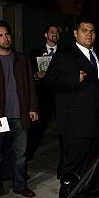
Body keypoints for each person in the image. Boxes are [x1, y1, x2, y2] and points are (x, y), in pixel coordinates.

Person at [44, 19, 99, 198]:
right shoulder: (65, 55)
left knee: (94, 167)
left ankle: (85, 197)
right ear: (76, 33)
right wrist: (73, 80)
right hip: (76, 124)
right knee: (73, 167)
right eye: (84, 30)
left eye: (92, 31)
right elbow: (48, 82)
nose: (89, 34)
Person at [0, 20, 38, 197]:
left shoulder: (21, 59)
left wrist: (32, 107)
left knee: (20, 153)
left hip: (19, 114)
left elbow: (30, 85)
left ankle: (19, 185)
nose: (5, 38)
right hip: (0, 116)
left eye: (7, 34)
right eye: (0, 35)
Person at [26, 24, 61, 160]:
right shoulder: (35, 52)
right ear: (46, 35)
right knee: (37, 129)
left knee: (64, 129)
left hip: (60, 96)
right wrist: (36, 75)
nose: (55, 34)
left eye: (57, 32)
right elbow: (29, 74)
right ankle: (27, 157)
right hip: (42, 97)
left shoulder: (64, 53)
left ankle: (66, 160)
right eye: (52, 31)